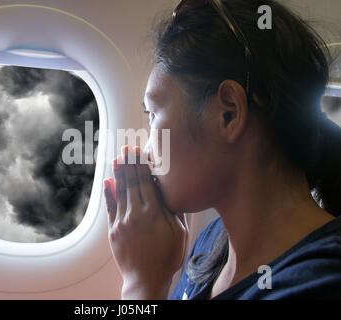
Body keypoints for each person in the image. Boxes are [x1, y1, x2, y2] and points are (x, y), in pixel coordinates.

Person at [103, 0, 341, 299]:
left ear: (228, 114)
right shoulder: (214, 242)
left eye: (152, 114)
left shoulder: (320, 282)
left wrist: (141, 284)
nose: (147, 150)